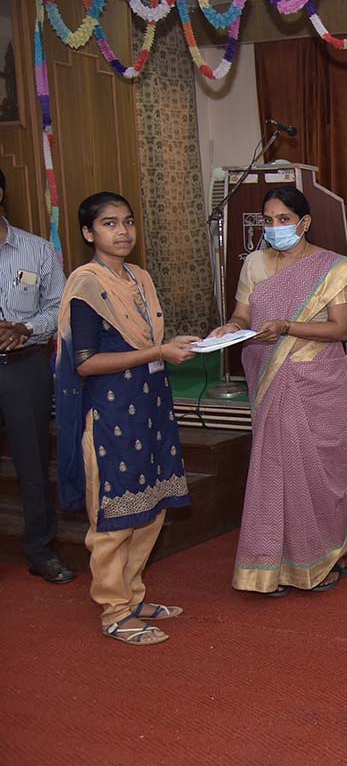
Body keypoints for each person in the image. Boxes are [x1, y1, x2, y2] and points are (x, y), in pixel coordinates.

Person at [208, 186, 347, 596]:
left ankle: (321, 558)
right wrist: (231, 327)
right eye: (268, 221)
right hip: (270, 375)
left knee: (323, 473)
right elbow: (243, 313)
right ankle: (271, 567)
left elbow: (340, 328)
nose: (275, 228)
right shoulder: (254, 263)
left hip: (318, 381)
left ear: (304, 223)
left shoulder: (331, 269)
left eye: (284, 220)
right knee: (276, 471)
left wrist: (287, 327)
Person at [56, 192, 197, 645]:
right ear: (88, 233)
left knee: (150, 509)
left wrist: (172, 346)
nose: (123, 231)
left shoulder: (139, 278)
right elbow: (86, 362)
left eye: (128, 222)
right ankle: (114, 611)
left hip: (150, 407)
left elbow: (146, 342)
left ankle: (133, 596)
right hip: (111, 413)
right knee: (114, 516)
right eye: (109, 223)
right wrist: (158, 351)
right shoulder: (87, 286)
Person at [0, 168, 74, 584]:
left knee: (32, 464)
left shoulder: (37, 250)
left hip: (25, 368)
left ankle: (41, 552)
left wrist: (26, 329)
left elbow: (59, 306)